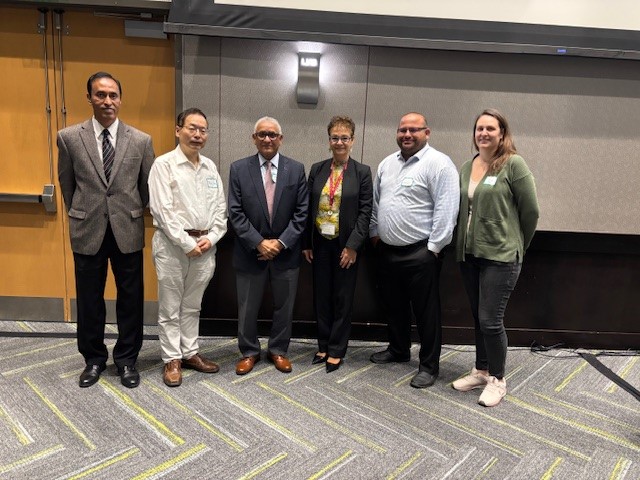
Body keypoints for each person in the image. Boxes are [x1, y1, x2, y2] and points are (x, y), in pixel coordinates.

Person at [57, 71, 154, 388]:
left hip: (127, 229)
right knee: (89, 300)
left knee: (131, 299)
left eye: (113, 95)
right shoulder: (69, 137)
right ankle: (94, 360)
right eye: (101, 94)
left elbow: (146, 188)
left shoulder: (141, 140)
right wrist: (84, 211)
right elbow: (67, 184)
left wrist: (128, 211)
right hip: (88, 229)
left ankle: (127, 360)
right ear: (89, 98)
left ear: (120, 99)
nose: (107, 101)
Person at [452, 108, 539, 407]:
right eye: (479, 128)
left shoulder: (513, 164)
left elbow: (531, 211)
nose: (484, 133)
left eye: (490, 128)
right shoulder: (468, 166)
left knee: (491, 320)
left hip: (501, 256)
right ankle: (481, 370)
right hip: (470, 253)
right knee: (479, 317)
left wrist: (518, 245)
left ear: (502, 134)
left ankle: (498, 379)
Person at [369, 112, 459, 388]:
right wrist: (375, 234)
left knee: (426, 313)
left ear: (426, 133)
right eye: (402, 130)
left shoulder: (439, 164)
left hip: (421, 253)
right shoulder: (387, 163)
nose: (407, 134)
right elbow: (376, 203)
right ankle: (399, 350)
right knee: (394, 306)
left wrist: (434, 248)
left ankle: (429, 366)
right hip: (387, 250)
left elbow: (447, 209)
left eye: (413, 130)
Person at [148, 108, 227, 387]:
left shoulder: (210, 167)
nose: (197, 134)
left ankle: (190, 352)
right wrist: (186, 243)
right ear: (178, 130)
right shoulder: (163, 165)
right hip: (172, 247)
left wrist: (212, 237)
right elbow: (162, 211)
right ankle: (172, 358)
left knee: (193, 305)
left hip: (205, 247)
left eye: (203, 130)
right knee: (170, 306)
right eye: (192, 128)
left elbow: (220, 209)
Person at [228, 117, 308, 375]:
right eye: (262, 134)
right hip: (250, 253)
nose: (267, 139)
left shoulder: (296, 169)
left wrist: (281, 243)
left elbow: (302, 213)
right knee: (247, 307)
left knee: (284, 307)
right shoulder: (239, 169)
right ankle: (249, 351)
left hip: (286, 253)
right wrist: (259, 243)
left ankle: (278, 350)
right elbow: (235, 213)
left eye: (272, 134)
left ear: (280, 139)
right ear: (254, 138)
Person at [302, 116, 372, 373]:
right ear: (329, 140)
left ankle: (337, 348)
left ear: (352, 141)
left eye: (344, 138)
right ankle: (323, 345)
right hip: (320, 243)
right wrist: (306, 243)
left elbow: (365, 212)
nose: (339, 142)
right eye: (335, 137)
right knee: (321, 296)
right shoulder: (317, 169)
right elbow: (307, 208)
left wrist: (353, 246)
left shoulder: (362, 172)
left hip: (345, 246)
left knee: (342, 297)